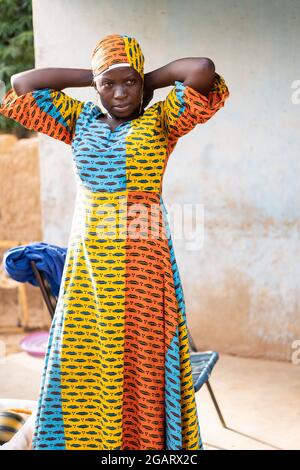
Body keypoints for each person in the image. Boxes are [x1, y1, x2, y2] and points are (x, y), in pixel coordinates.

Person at [0, 33, 230, 450]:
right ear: (96, 87)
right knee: (83, 357)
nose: (120, 93)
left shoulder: (160, 122)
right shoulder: (78, 119)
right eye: (110, 84)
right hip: (89, 267)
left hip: (144, 264)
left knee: (141, 359)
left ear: (142, 83)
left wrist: (148, 79)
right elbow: (22, 83)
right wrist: (95, 76)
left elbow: (201, 70)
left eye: (130, 83)